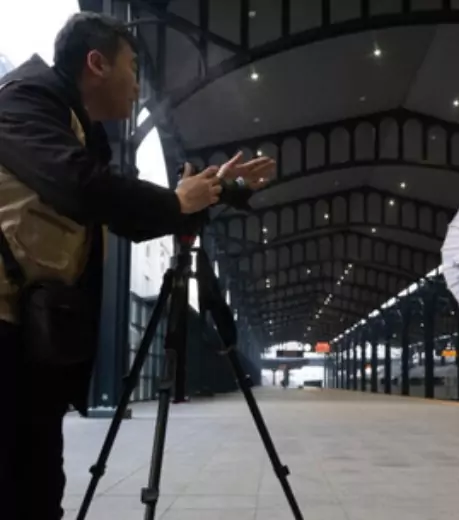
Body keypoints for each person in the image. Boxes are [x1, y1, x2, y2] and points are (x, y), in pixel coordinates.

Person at [0, 12, 276, 520]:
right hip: (6, 334)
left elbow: (126, 214)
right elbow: (85, 189)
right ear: (96, 63)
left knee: (36, 491)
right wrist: (177, 203)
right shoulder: (22, 101)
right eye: (133, 68)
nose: (138, 86)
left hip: (28, 338)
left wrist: (213, 189)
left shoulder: (77, 127)